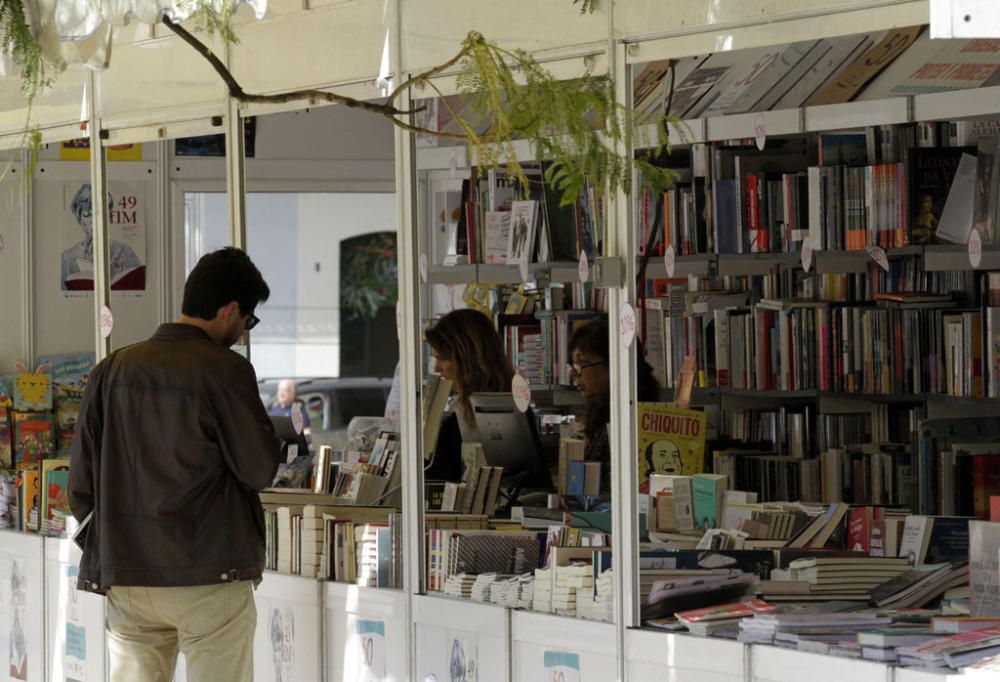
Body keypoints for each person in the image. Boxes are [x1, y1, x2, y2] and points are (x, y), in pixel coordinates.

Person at [68, 247, 279, 682]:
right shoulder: (226, 371)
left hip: (127, 572)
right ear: (230, 310)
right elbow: (259, 471)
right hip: (208, 570)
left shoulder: (111, 369)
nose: (243, 332)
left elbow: (81, 487)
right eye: (248, 321)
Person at [568, 319, 659, 495]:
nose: (574, 373)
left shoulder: (631, 423)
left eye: (582, 363)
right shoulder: (601, 414)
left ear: (614, 364)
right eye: (573, 365)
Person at [424, 308, 513, 481]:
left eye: (442, 358)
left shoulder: (476, 418)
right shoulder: (460, 411)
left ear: (466, 358)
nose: (436, 368)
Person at [60, 184, 144, 291]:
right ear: (79, 218)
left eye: (99, 214)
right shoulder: (67, 258)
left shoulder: (124, 251)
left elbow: (141, 289)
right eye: (87, 214)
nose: (94, 220)